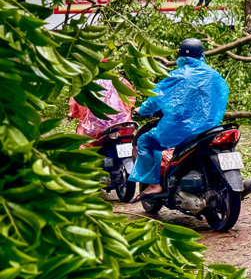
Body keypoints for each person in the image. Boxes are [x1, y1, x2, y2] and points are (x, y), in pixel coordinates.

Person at [131, 38, 229, 198]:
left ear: (180, 56)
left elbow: (154, 99)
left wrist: (141, 110)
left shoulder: (176, 76)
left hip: (179, 131)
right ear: (202, 55)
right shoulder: (215, 76)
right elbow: (221, 98)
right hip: (210, 129)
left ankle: (154, 185)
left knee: (144, 141)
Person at [69, 71, 134, 139]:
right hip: (121, 125)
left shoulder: (83, 85)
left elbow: (75, 107)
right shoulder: (121, 81)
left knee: (87, 144)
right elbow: (130, 101)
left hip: (93, 129)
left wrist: (72, 114)